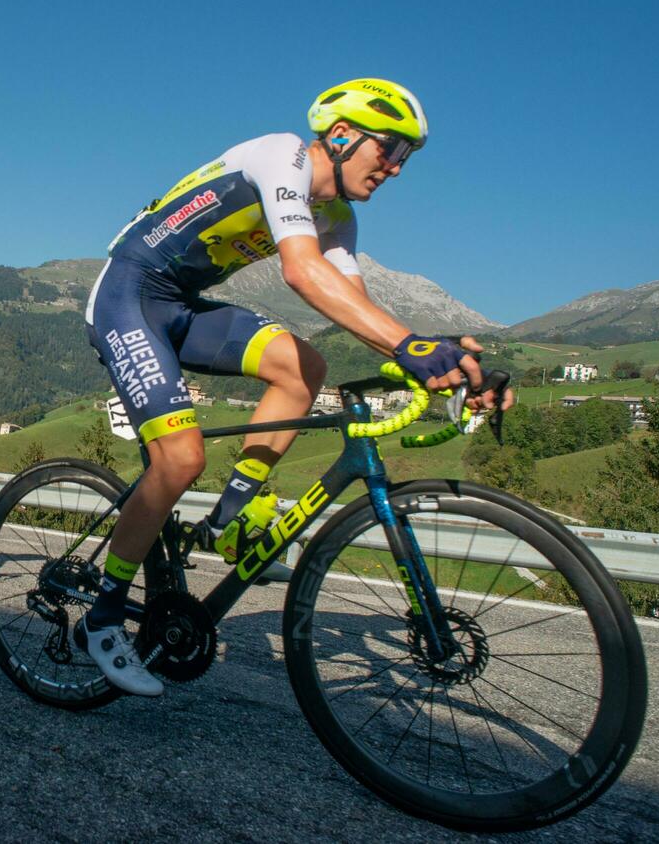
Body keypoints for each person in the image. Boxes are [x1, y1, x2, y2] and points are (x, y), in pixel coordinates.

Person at [78, 78, 514, 696]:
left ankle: (231, 515)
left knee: (305, 367)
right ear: (340, 135)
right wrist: (411, 347)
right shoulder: (281, 156)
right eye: (388, 149)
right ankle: (102, 616)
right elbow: (302, 272)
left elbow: (354, 304)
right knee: (181, 456)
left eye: (405, 157)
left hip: (181, 306)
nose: (394, 168)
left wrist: (439, 358)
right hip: (128, 293)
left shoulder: (338, 217)